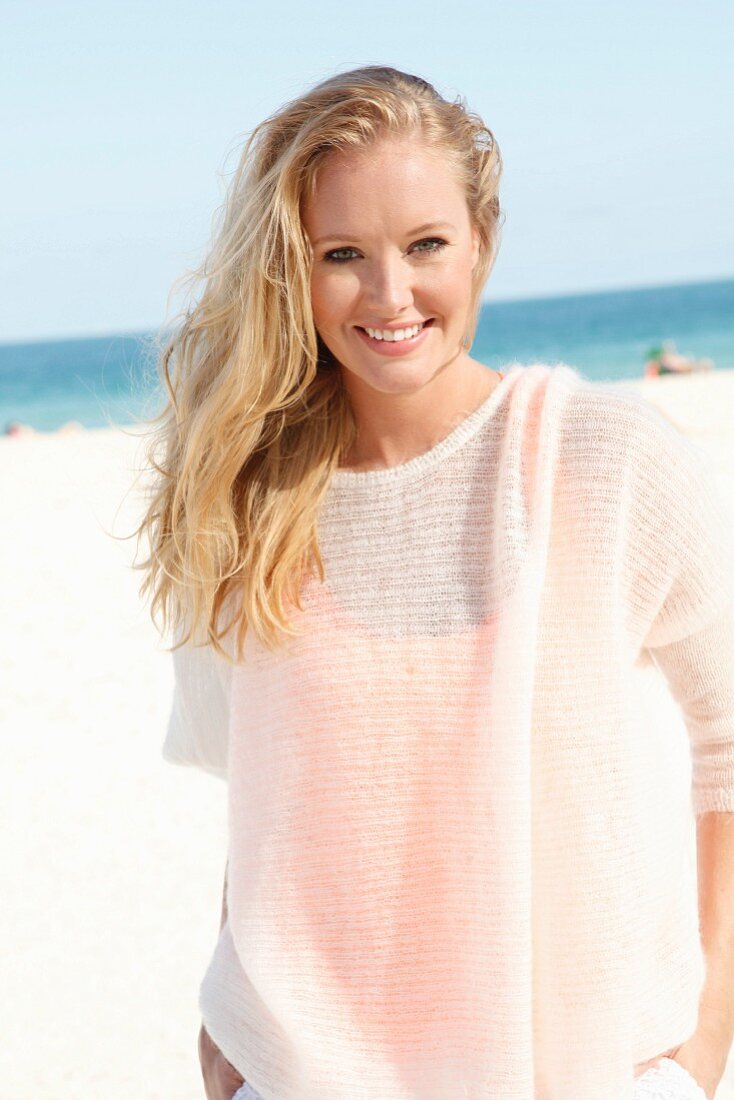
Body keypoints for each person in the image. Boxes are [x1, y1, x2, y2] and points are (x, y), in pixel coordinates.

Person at [134, 66, 734, 1100]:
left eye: (423, 244)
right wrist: (230, 1031)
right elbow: (264, 797)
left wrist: (703, 1038)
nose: (388, 293)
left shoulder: (605, 454)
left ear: (481, 241)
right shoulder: (244, 500)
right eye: (340, 255)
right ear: (292, 270)